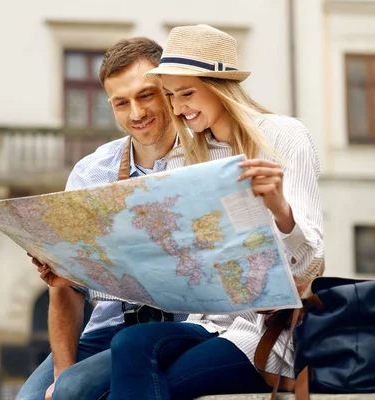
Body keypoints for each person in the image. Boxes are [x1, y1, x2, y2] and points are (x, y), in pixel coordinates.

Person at [106, 24, 325, 400]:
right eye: (171, 96)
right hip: (207, 322)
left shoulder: (285, 137)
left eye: (187, 94)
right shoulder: (186, 156)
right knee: (129, 343)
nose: (177, 109)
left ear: (221, 88)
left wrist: (279, 208)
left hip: (267, 331)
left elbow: (311, 265)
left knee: (163, 384)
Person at [16, 37, 188, 400]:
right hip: (107, 328)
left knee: (77, 389)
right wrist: (62, 373)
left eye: (146, 96)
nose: (136, 113)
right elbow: (65, 289)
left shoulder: (204, 158)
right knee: (31, 398)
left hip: (184, 325)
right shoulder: (90, 173)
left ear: (168, 91)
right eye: (121, 103)